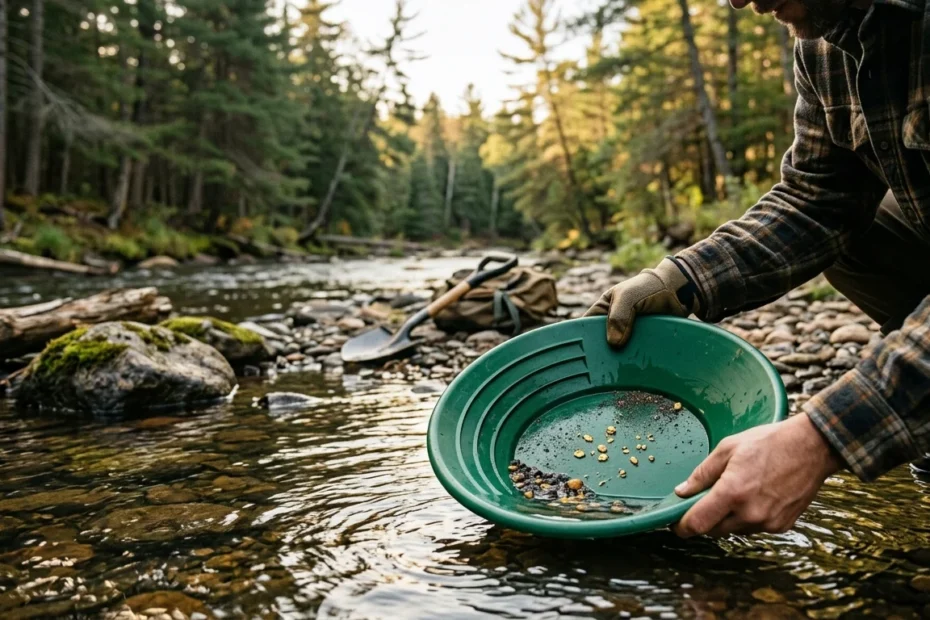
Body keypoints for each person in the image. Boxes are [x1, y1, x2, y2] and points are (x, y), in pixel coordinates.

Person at [586, 0, 930, 537]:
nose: (737, 2)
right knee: (861, 235)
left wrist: (820, 439)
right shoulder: (821, 42)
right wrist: (683, 279)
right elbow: (818, 198)